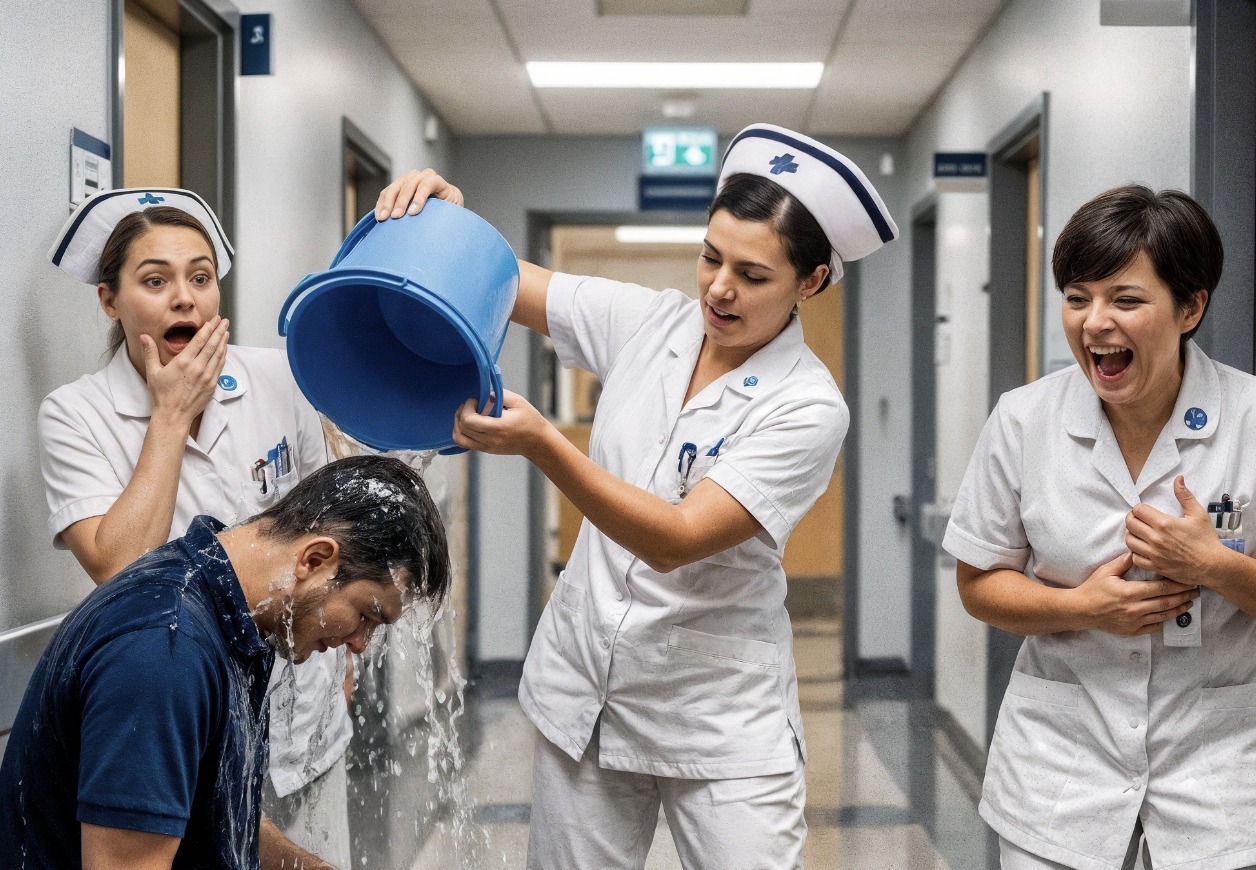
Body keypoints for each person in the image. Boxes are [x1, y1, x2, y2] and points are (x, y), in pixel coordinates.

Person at [375, 123, 898, 868]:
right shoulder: (650, 323)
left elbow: (677, 538)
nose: (719, 287)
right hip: (586, 691)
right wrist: (443, 219)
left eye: (752, 275)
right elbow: (493, 277)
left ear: (809, 282)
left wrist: (546, 443)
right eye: (711, 257)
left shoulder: (808, 406)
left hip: (717, 716)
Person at [942, 185, 1256, 870]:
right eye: (1077, 298)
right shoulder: (1024, 420)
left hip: (1221, 770)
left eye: (1126, 300)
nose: (1093, 322)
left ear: (1191, 307)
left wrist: (1216, 565)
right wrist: (1079, 608)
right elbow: (978, 583)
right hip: (1061, 766)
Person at [37, 188, 355, 863]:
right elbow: (123, 577)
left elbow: (328, 538)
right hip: (187, 727)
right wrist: (171, 417)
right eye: (155, 280)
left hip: (307, 728)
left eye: (201, 277)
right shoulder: (74, 416)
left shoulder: (279, 376)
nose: (186, 297)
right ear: (108, 301)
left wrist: (350, 655)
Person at [0, 454, 451, 869]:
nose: (360, 643)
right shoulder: (164, 651)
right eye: (366, 616)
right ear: (315, 559)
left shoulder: (237, 613)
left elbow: (213, 814)